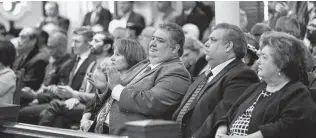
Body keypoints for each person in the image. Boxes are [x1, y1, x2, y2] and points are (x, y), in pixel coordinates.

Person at [212, 31, 316, 138]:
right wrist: (220, 133)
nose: (259, 61)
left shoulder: (298, 94)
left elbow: (282, 129)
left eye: (264, 57)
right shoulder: (255, 88)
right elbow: (227, 116)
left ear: (281, 64)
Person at [172, 23, 259, 138]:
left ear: (228, 46)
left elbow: (222, 116)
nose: (206, 44)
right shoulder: (205, 74)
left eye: (213, 40)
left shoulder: (242, 75)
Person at [103, 23, 191, 135]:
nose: (153, 44)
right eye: (153, 38)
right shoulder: (145, 64)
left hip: (133, 134)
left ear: (175, 48)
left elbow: (152, 102)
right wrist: (102, 88)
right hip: (105, 128)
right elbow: (116, 88)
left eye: (160, 41)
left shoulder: (176, 72)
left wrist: (116, 87)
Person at [38, 32, 115, 129]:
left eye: (96, 41)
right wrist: (75, 98)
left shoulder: (110, 66)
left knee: (56, 104)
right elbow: (83, 89)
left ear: (106, 46)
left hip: (99, 109)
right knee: (59, 118)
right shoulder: (92, 64)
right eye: (92, 40)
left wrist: (75, 95)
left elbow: (104, 97)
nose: (91, 43)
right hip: (86, 104)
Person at [79, 38, 146, 134]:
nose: (112, 58)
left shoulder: (138, 81)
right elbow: (93, 105)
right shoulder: (113, 76)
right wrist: (102, 89)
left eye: (117, 55)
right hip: (98, 129)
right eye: (113, 54)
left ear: (131, 57)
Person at [12, 27, 49, 93]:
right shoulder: (21, 56)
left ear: (33, 41)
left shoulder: (39, 60)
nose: (18, 40)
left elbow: (28, 85)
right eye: (19, 36)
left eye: (23, 37)